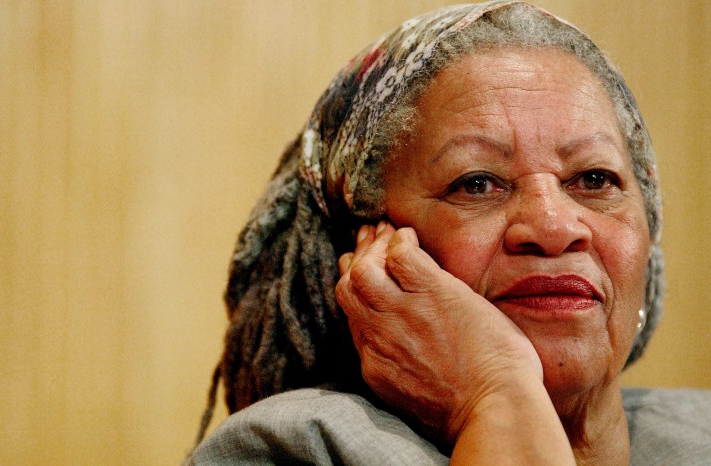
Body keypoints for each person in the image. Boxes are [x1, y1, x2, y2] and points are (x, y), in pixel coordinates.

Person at [186, 1, 711, 464]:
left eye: (594, 179)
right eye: (477, 183)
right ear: (365, 248)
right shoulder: (297, 447)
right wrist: (495, 391)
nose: (554, 227)